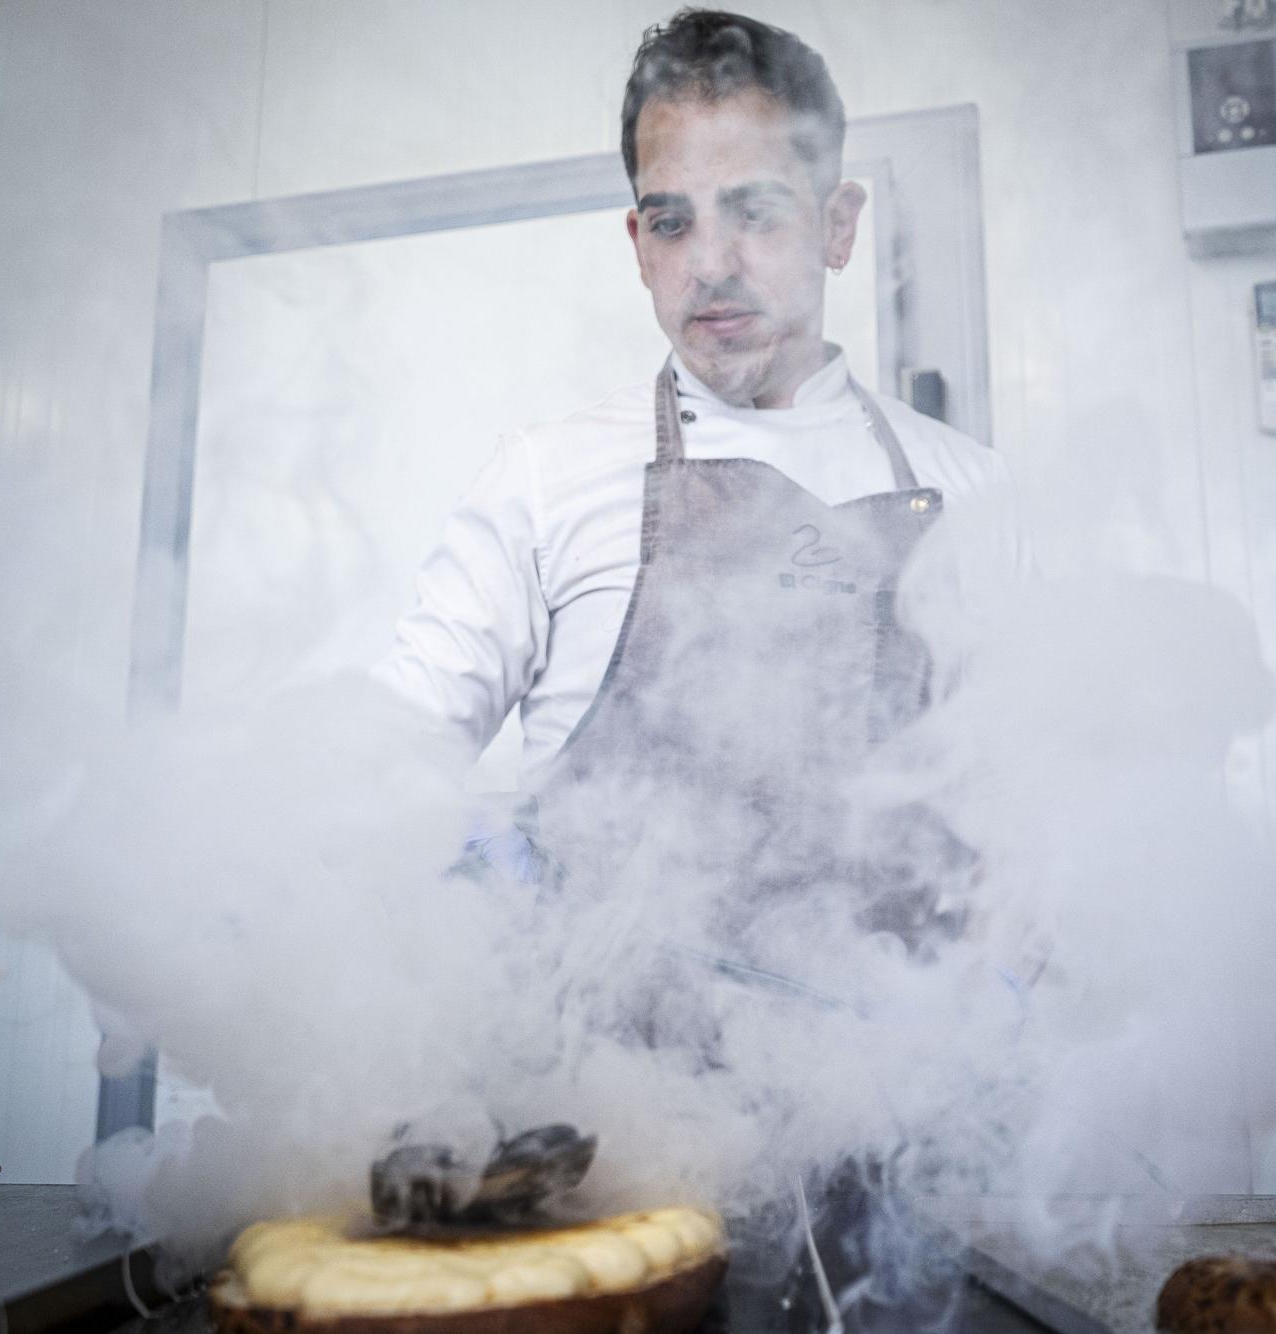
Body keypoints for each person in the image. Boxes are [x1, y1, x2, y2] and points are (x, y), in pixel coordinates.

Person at [377, 10, 1022, 1328]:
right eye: (670, 220)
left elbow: (1037, 852)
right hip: (609, 1182)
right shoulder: (550, 479)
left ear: (838, 223)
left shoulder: (974, 499)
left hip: (897, 1181)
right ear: (634, 241)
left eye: (758, 211)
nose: (712, 263)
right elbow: (382, 759)